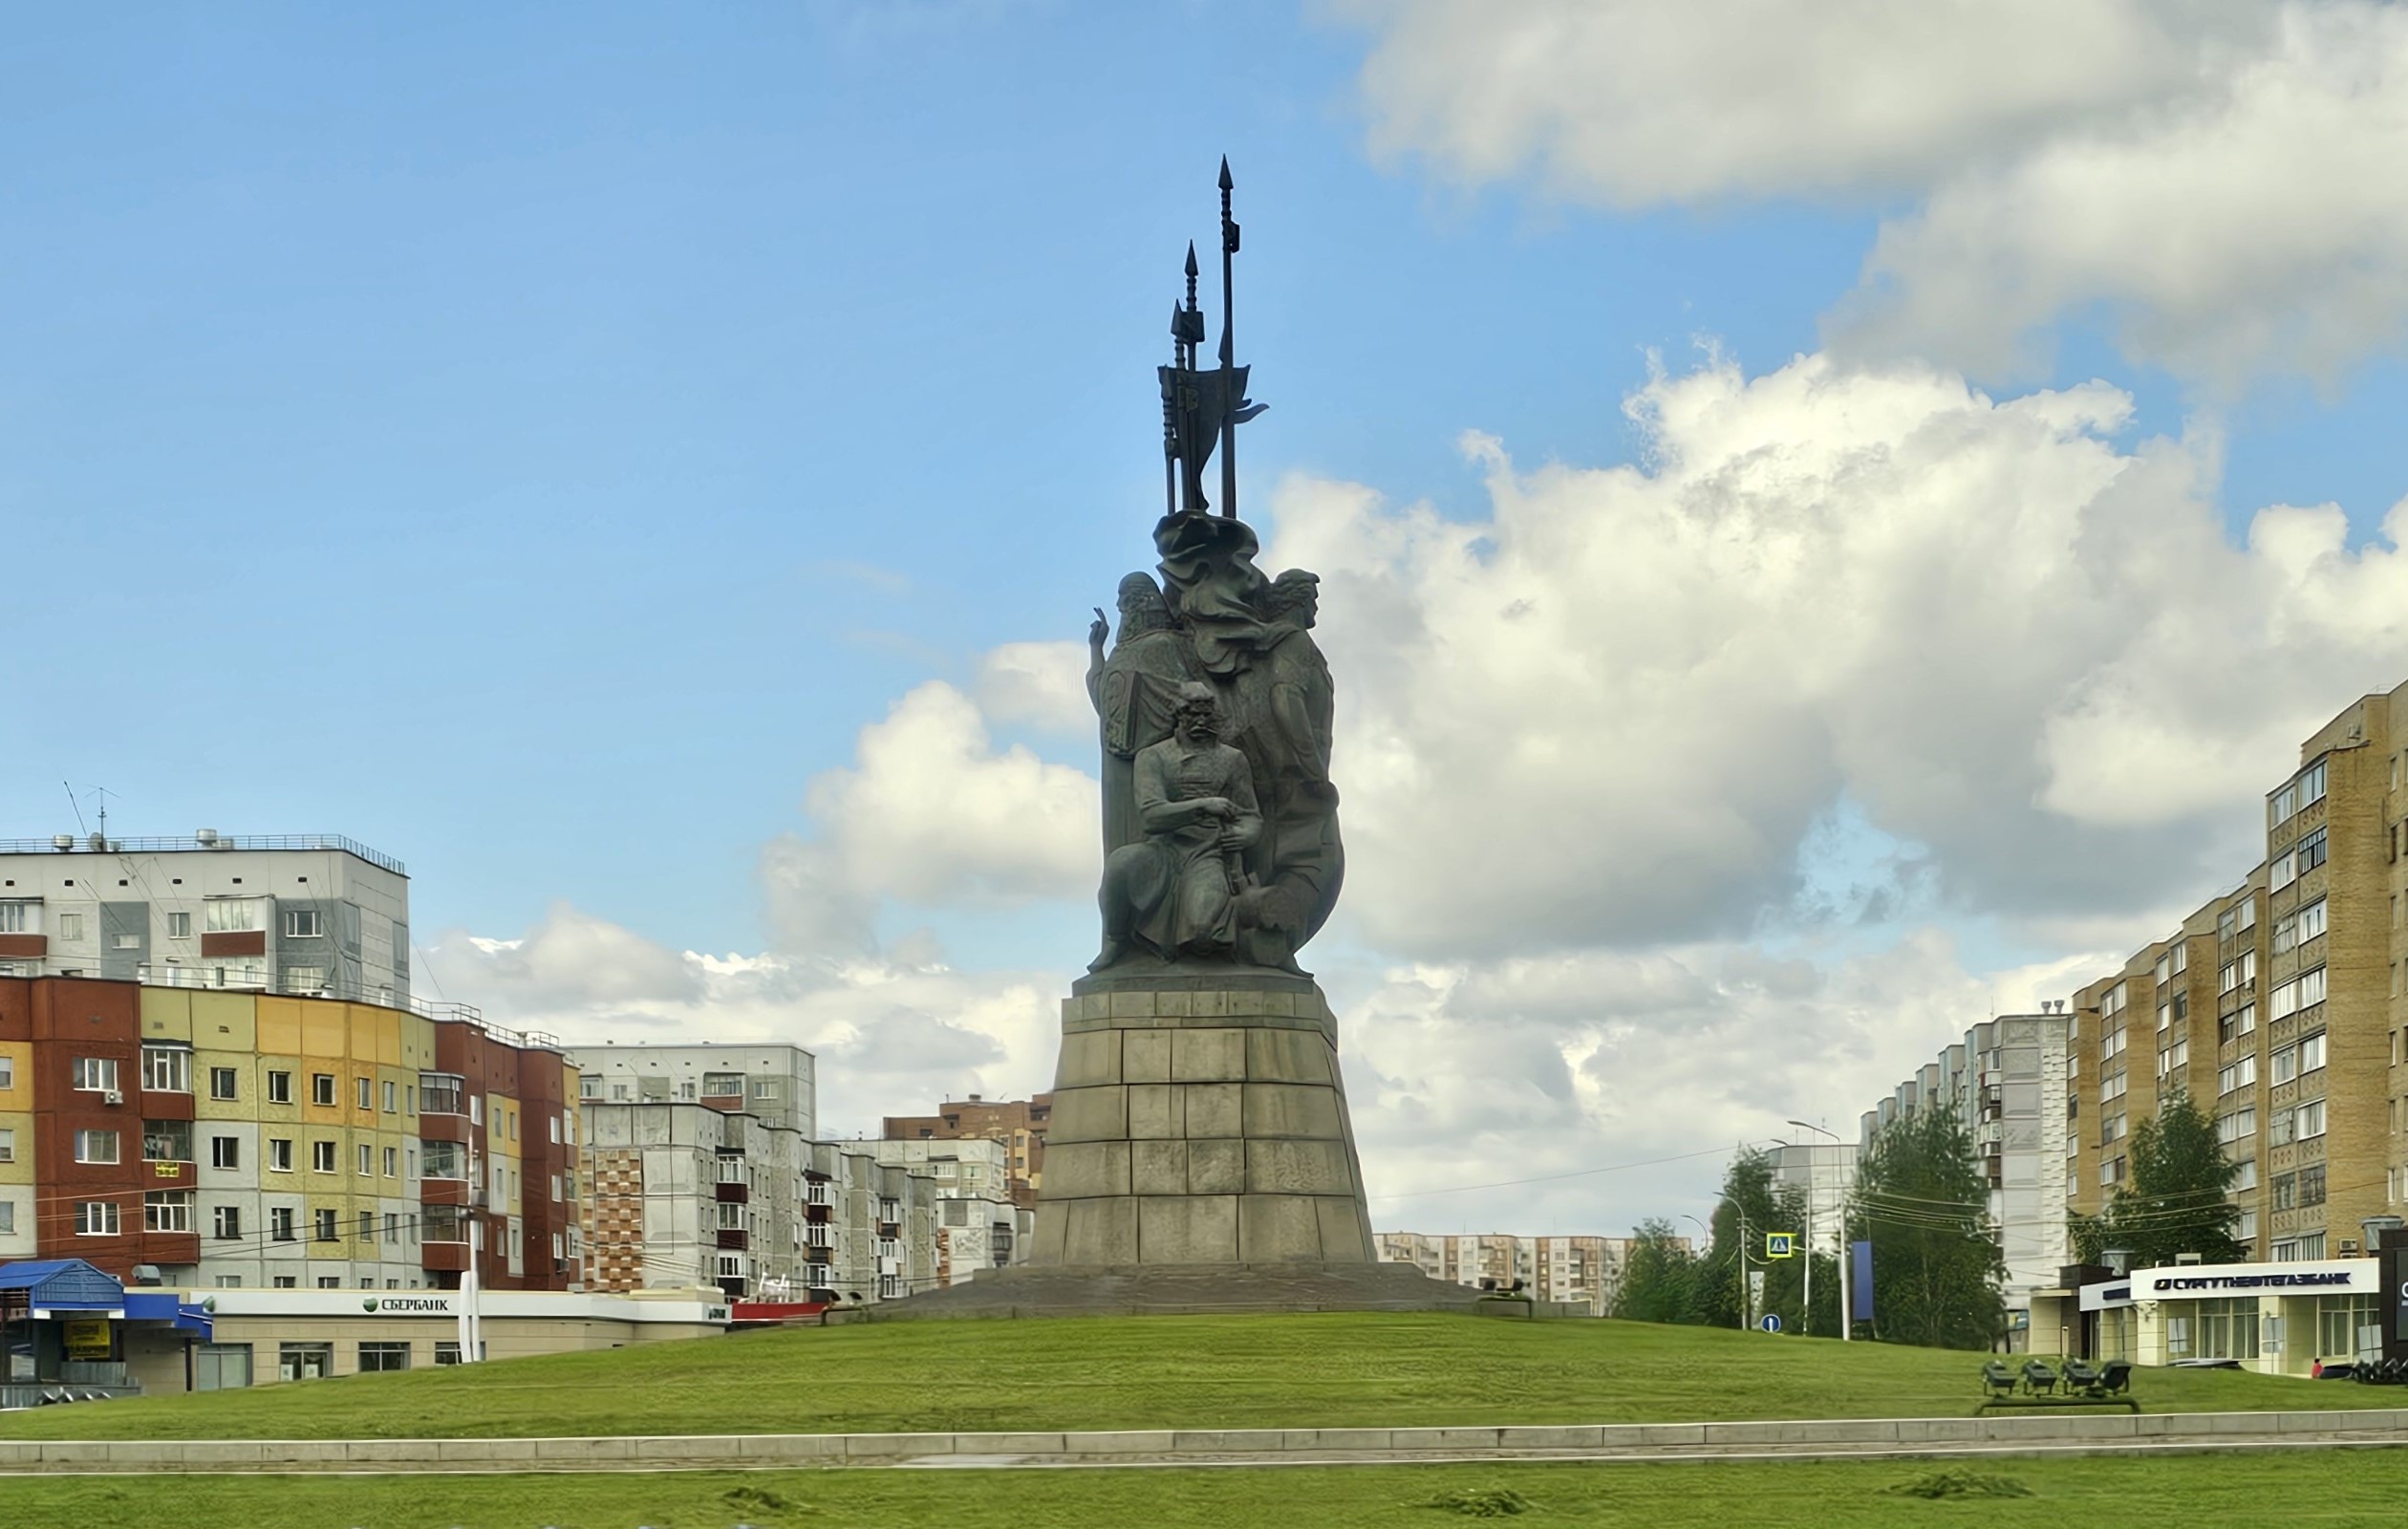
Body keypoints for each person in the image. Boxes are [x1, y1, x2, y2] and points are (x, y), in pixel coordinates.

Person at [1091, 682, 1261, 969]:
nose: (1201, 722)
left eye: (1206, 716)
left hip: (1207, 853)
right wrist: (1203, 806)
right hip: (1162, 851)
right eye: (1193, 715)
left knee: (1203, 932)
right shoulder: (1154, 756)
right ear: (1179, 715)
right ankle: (1117, 940)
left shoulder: (1232, 760)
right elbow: (1152, 816)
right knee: (1120, 864)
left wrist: (1246, 833)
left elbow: (1251, 815)